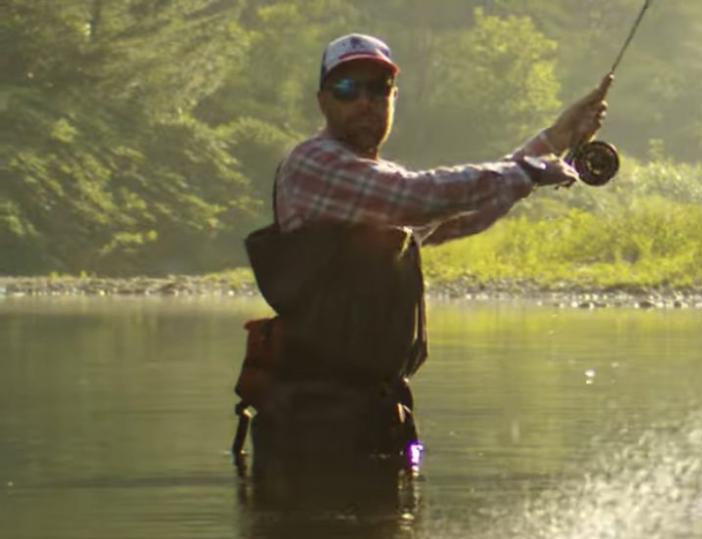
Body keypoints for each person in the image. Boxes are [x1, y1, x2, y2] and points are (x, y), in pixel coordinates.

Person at [233, 33, 610, 469]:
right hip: (313, 426)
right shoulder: (314, 164)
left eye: (378, 89)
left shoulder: (376, 183)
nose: (365, 101)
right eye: (347, 89)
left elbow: (455, 214)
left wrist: (557, 138)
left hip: (369, 416)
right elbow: (416, 196)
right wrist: (527, 170)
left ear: (393, 99)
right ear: (323, 101)